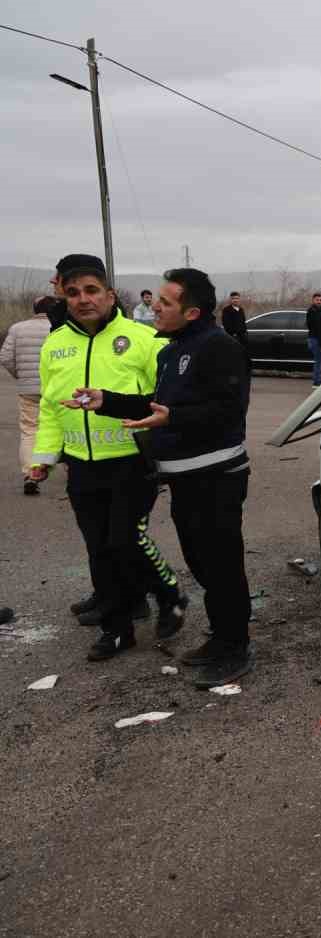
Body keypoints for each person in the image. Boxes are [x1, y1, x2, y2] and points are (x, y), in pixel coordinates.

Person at [72, 267, 254, 686]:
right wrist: (108, 401)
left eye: (166, 302)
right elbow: (156, 407)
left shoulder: (218, 346)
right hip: (184, 481)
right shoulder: (171, 351)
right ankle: (222, 636)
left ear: (191, 312)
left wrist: (175, 417)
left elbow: (227, 411)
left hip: (217, 478)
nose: (154, 305)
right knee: (201, 564)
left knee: (222, 566)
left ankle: (235, 644)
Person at [31, 256, 186, 659]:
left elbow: (166, 401)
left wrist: (165, 447)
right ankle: (117, 629)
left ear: (109, 294)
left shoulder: (142, 338)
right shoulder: (55, 344)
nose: (83, 299)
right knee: (99, 549)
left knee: (124, 541)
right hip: (81, 464)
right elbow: (49, 407)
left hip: (132, 461)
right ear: (63, 297)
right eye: (73, 292)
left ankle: (169, 593)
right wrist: (44, 456)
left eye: (91, 290)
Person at [1, 297, 53, 495]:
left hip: (28, 389)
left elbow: (5, 357)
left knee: (30, 430)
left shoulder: (17, 328)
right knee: (64, 428)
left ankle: (31, 474)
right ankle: (72, 469)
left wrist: (20, 375)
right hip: (55, 389)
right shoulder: (60, 328)